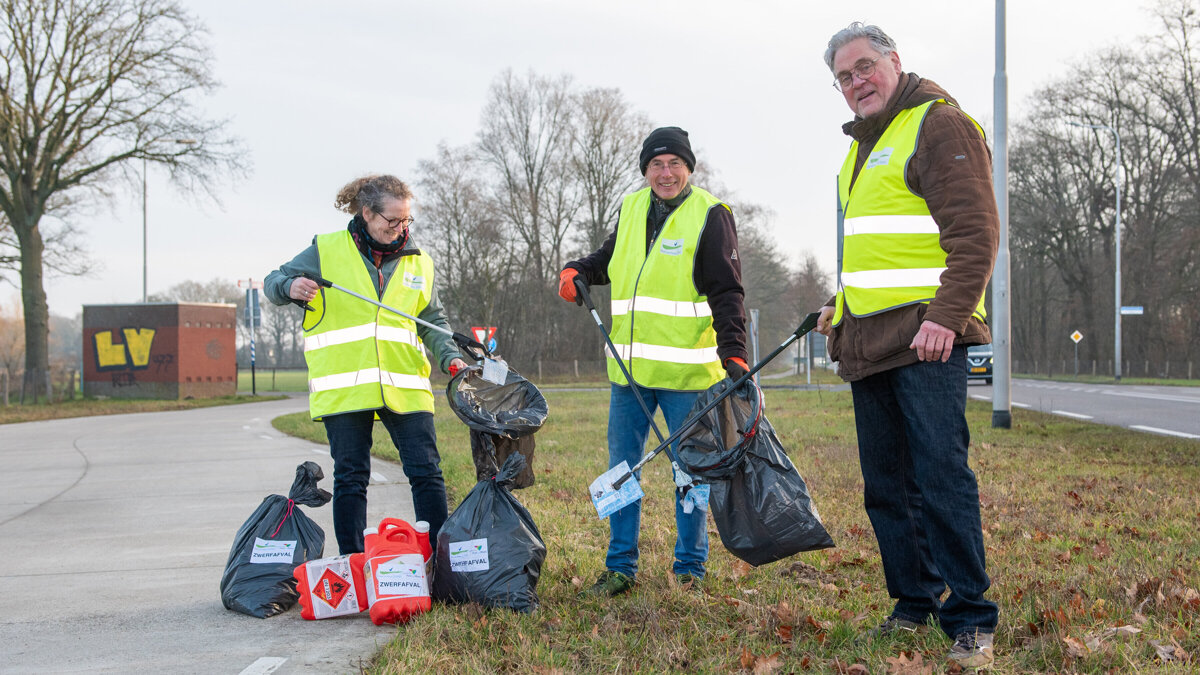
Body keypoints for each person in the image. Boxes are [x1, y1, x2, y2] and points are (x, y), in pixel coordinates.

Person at [816, 22, 1000, 669]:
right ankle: (913, 602)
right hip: (870, 341)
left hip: (927, 338)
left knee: (940, 478)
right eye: (844, 76)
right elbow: (880, 252)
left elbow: (976, 232)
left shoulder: (938, 123)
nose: (856, 82)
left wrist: (947, 317)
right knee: (887, 487)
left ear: (894, 61)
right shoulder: (864, 146)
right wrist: (839, 304)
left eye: (865, 66)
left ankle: (971, 618)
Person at [559, 126, 749, 596]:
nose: (666, 173)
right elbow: (608, 259)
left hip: (687, 378)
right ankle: (619, 566)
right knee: (620, 471)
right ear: (645, 170)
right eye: (656, 164)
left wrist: (735, 353)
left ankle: (690, 568)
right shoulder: (631, 207)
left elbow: (728, 292)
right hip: (629, 377)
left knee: (690, 473)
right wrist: (578, 270)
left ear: (689, 168)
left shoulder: (711, 215)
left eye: (675, 164)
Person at [264, 174, 467, 555]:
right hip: (346, 389)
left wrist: (449, 355)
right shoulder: (326, 250)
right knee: (351, 478)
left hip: (406, 387)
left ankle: (438, 562)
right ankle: (353, 562)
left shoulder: (420, 262)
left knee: (427, 473)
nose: (400, 228)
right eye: (392, 220)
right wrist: (290, 287)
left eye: (406, 220)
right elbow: (273, 281)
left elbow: (432, 320)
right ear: (367, 213)